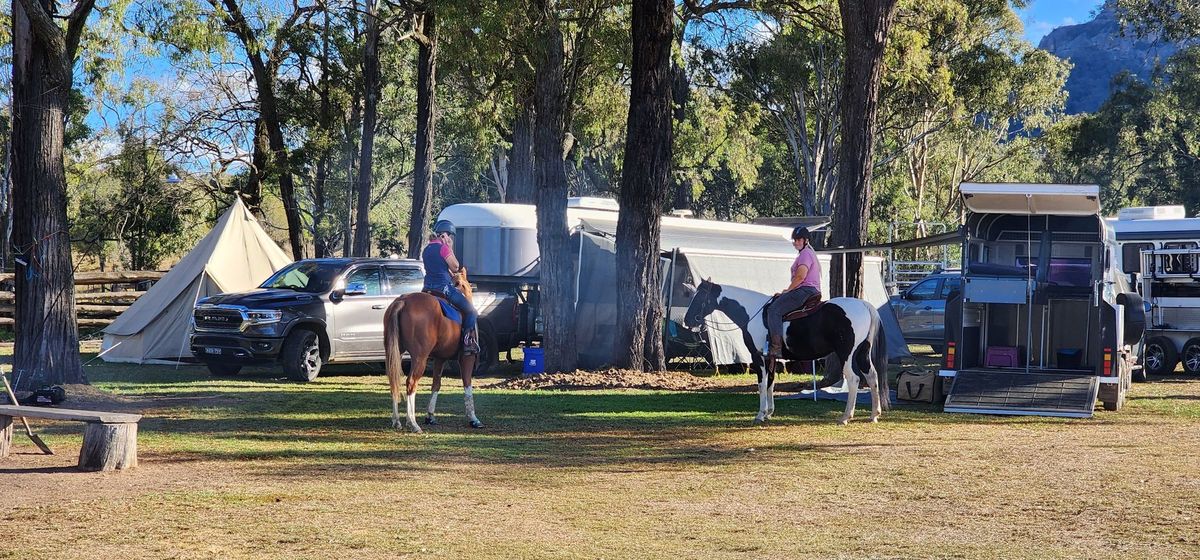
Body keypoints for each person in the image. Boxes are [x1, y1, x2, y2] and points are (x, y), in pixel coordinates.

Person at [422, 219, 480, 354]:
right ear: (447, 234)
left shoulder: (426, 249)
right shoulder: (443, 248)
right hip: (443, 287)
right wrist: (449, 247)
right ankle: (467, 342)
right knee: (471, 311)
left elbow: (439, 267)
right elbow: (455, 267)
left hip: (427, 288)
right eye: (450, 236)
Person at [765, 226, 822, 358]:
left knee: (773, 310)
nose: (796, 242)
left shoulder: (805, 254)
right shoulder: (808, 253)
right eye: (794, 240)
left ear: (806, 240)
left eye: (798, 240)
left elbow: (800, 277)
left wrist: (787, 291)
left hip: (805, 290)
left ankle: (776, 348)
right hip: (811, 290)